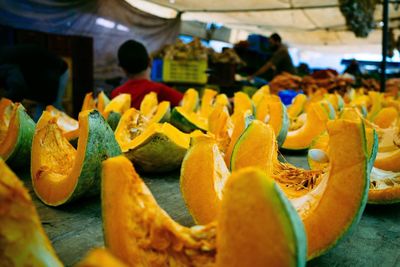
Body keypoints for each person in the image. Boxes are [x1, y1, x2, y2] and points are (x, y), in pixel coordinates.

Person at [0, 44, 69, 120]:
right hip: (44, 78)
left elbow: (18, 88)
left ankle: (73, 129)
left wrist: (3, 106)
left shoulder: (5, 64)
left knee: (51, 117)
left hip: (56, 73)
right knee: (43, 119)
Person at [111, 40, 183, 109]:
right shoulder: (159, 90)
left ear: (123, 69)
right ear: (150, 62)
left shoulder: (116, 94)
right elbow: (186, 104)